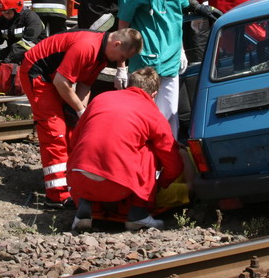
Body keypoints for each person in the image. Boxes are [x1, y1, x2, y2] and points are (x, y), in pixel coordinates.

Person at [19, 28, 143, 208]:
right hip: (38, 72)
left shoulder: (102, 55)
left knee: (72, 130)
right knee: (55, 132)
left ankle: (70, 183)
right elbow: (61, 82)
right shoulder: (87, 47)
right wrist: (80, 110)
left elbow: (85, 84)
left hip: (56, 76)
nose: (120, 62)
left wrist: (80, 113)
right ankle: (57, 196)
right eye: (122, 56)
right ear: (116, 44)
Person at [67, 67, 184, 232]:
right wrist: (160, 184)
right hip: (117, 186)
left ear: (129, 85)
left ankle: (84, 208)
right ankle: (138, 213)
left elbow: (75, 139)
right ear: (154, 94)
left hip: (78, 179)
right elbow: (172, 159)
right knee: (149, 150)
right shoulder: (152, 112)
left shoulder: (101, 98)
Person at [116, 0, 212, 139]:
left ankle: (169, 158)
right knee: (144, 116)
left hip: (171, 59)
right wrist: (121, 65)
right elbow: (123, 29)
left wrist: (182, 50)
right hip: (144, 64)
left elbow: (178, 16)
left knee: (169, 114)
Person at [0, 0, 44, 64]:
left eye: (7, 12)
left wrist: (8, 60)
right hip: (14, 53)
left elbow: (28, 43)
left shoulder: (30, 17)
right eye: (2, 12)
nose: (5, 14)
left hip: (37, 54)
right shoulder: (1, 21)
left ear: (16, 9)